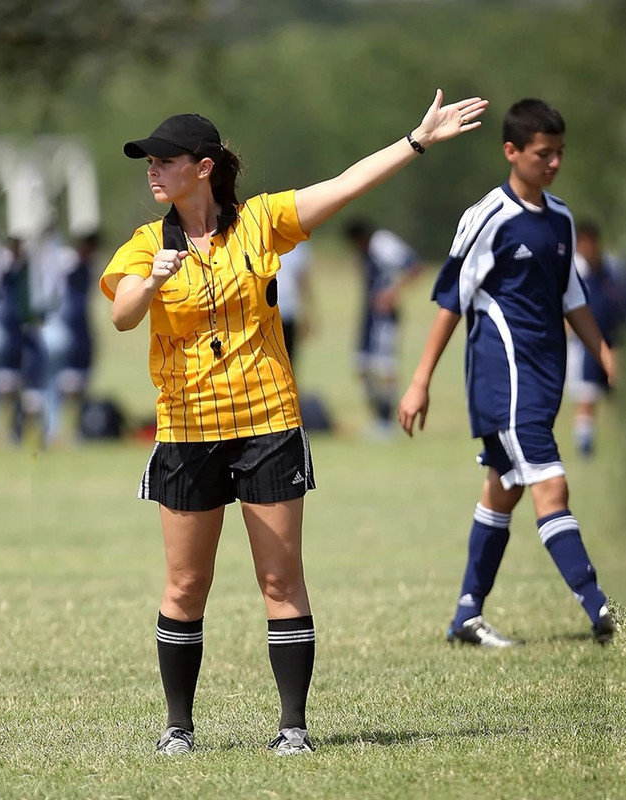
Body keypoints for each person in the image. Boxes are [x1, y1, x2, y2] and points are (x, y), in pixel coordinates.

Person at [99, 91, 489, 755]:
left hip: (267, 422)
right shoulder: (145, 245)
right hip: (187, 431)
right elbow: (123, 314)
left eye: (164, 159)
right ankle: (177, 729)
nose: (152, 169)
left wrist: (416, 141)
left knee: (281, 580)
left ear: (203, 167)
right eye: (148, 160)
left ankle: (293, 729)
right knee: (186, 584)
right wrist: (154, 280)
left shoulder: (261, 222)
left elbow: (344, 185)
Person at [398, 98, 617, 648]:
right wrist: (421, 379)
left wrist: (606, 356)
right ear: (511, 151)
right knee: (551, 484)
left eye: (560, 153)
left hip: (544, 378)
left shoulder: (562, 218)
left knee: (503, 491)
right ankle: (602, 610)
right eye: (544, 153)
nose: (554, 163)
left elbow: (574, 299)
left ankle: (466, 616)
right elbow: (450, 300)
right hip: (504, 378)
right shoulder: (486, 217)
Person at [344, 218, 423, 437]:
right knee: (361, 365)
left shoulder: (383, 244)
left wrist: (392, 293)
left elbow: (414, 267)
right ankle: (377, 418)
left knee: (385, 367)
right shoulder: (364, 252)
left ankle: (387, 421)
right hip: (369, 316)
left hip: (385, 318)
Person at [568, 219, 626, 457]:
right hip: (584, 345)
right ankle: (585, 447)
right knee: (586, 395)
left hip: (614, 343)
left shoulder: (612, 268)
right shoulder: (573, 269)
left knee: (621, 395)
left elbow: (624, 303)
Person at [274, 238, 314, 366]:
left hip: (288, 311)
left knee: (288, 361)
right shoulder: (258, 234)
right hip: (262, 313)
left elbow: (304, 282)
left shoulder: (300, 245)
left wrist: (307, 314)